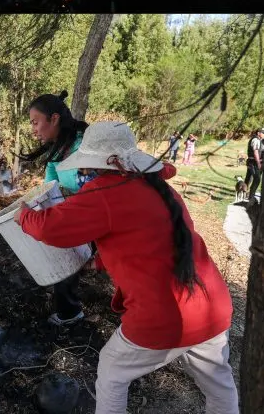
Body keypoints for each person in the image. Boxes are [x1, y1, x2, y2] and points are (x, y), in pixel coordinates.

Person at [16, 121, 238, 414]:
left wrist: (23, 215)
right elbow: (150, 241)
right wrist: (103, 260)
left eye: (87, 165)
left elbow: (50, 228)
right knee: (219, 385)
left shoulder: (106, 191)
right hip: (213, 306)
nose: (84, 172)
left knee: (112, 372)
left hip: (164, 316)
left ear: (106, 162)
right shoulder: (158, 187)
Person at [20, 90, 89, 325]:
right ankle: (69, 310)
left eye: (35, 122)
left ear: (55, 119)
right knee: (63, 254)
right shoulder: (58, 149)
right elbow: (49, 186)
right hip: (80, 212)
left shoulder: (85, 144)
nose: (33, 129)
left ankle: (71, 313)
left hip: (102, 215)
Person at [244, 127, 264, 201]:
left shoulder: (257, 140)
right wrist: (258, 163)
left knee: (249, 178)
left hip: (251, 162)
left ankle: (244, 192)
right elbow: (255, 152)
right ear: (258, 133)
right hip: (254, 162)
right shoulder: (256, 140)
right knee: (257, 179)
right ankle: (251, 196)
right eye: (263, 133)